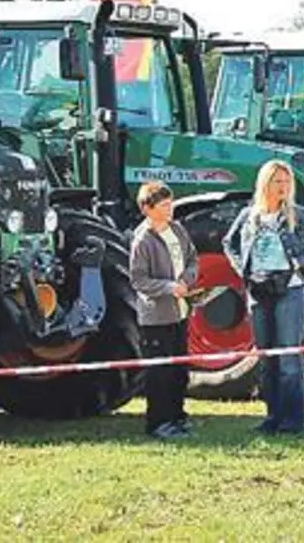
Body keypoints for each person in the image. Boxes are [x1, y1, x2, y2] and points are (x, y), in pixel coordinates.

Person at [224, 159, 304, 435]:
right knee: (266, 359)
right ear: (265, 184)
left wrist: (303, 261)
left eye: (287, 182)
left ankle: (294, 420)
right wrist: (243, 268)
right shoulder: (248, 216)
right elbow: (228, 243)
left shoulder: (298, 213)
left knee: (289, 358)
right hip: (258, 289)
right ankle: (272, 417)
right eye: (278, 181)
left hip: (289, 288)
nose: (283, 186)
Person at [128, 181, 200, 440]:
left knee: (179, 370)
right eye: (164, 205)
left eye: (171, 203)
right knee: (160, 373)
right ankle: (158, 422)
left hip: (180, 313)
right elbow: (138, 280)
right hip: (155, 318)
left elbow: (192, 259)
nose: (170, 209)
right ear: (148, 208)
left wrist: (188, 281)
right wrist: (169, 287)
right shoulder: (142, 240)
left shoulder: (178, 231)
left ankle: (178, 417)